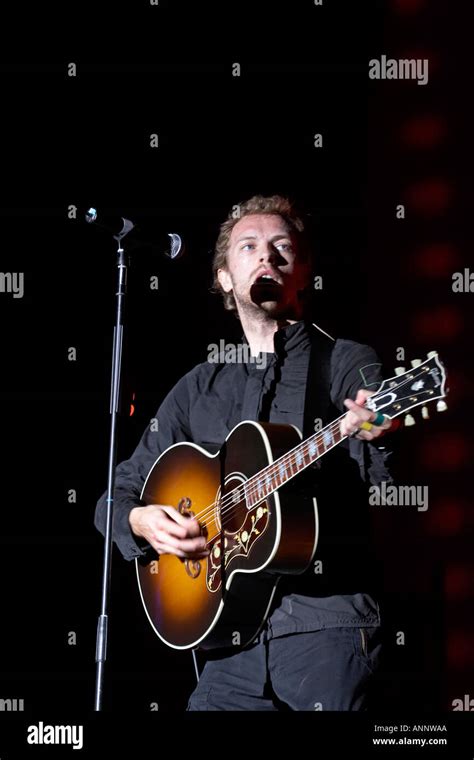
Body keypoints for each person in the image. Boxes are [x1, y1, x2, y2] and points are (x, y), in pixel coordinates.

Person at [95, 194, 396, 711]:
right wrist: (142, 521)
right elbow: (113, 498)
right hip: (225, 649)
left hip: (324, 631)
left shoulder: (345, 360)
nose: (267, 258)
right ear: (225, 279)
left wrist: (378, 425)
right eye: (249, 247)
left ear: (303, 271)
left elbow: (383, 451)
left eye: (283, 248)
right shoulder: (198, 386)